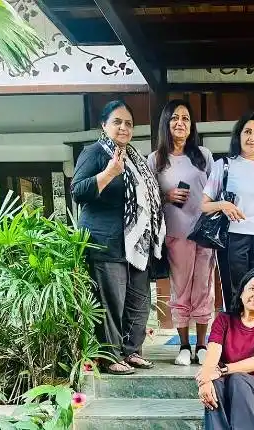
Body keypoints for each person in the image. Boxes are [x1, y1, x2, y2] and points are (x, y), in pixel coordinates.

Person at [71, 100, 164, 374]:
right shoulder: (94, 153)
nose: (123, 127)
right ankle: (110, 356)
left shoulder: (135, 158)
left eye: (128, 123)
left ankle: (131, 351)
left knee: (139, 299)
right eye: (117, 122)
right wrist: (109, 172)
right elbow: (78, 191)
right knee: (112, 301)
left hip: (136, 243)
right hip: (106, 241)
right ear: (104, 125)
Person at [147, 99, 215, 366]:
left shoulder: (203, 155)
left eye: (185, 118)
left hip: (204, 233)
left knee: (204, 288)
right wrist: (167, 195)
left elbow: (215, 190)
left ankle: (202, 344)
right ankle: (184, 346)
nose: (180, 123)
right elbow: (147, 198)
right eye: (175, 118)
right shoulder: (156, 159)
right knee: (181, 289)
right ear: (166, 122)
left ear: (191, 125)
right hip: (176, 233)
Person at [202, 112, 254, 310]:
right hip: (232, 238)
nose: (253, 137)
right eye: (248, 132)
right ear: (239, 135)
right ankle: (235, 330)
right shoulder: (224, 165)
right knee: (235, 294)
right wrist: (223, 205)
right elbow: (203, 205)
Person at [196, 267, 254, 430]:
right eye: (253, 288)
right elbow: (212, 354)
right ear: (242, 291)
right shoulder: (224, 320)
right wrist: (205, 380)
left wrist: (222, 370)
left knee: (238, 379)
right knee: (215, 383)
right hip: (229, 391)